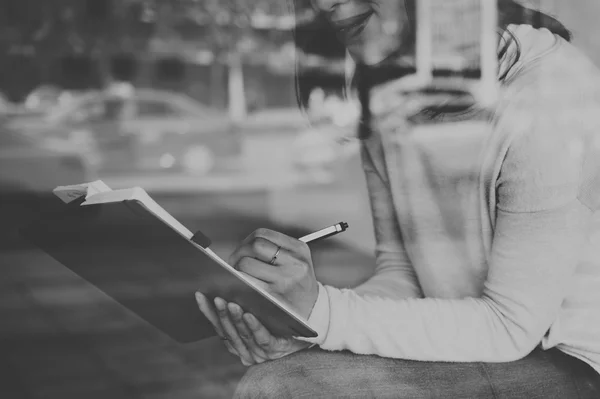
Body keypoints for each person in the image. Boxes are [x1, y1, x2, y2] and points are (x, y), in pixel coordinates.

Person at [196, 1, 600, 397]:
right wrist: (306, 326)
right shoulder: (384, 88)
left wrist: (326, 313)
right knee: (279, 375)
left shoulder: (549, 93)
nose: (323, 3)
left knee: (280, 387)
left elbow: (511, 327)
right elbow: (405, 274)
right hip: (484, 341)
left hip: (570, 362)